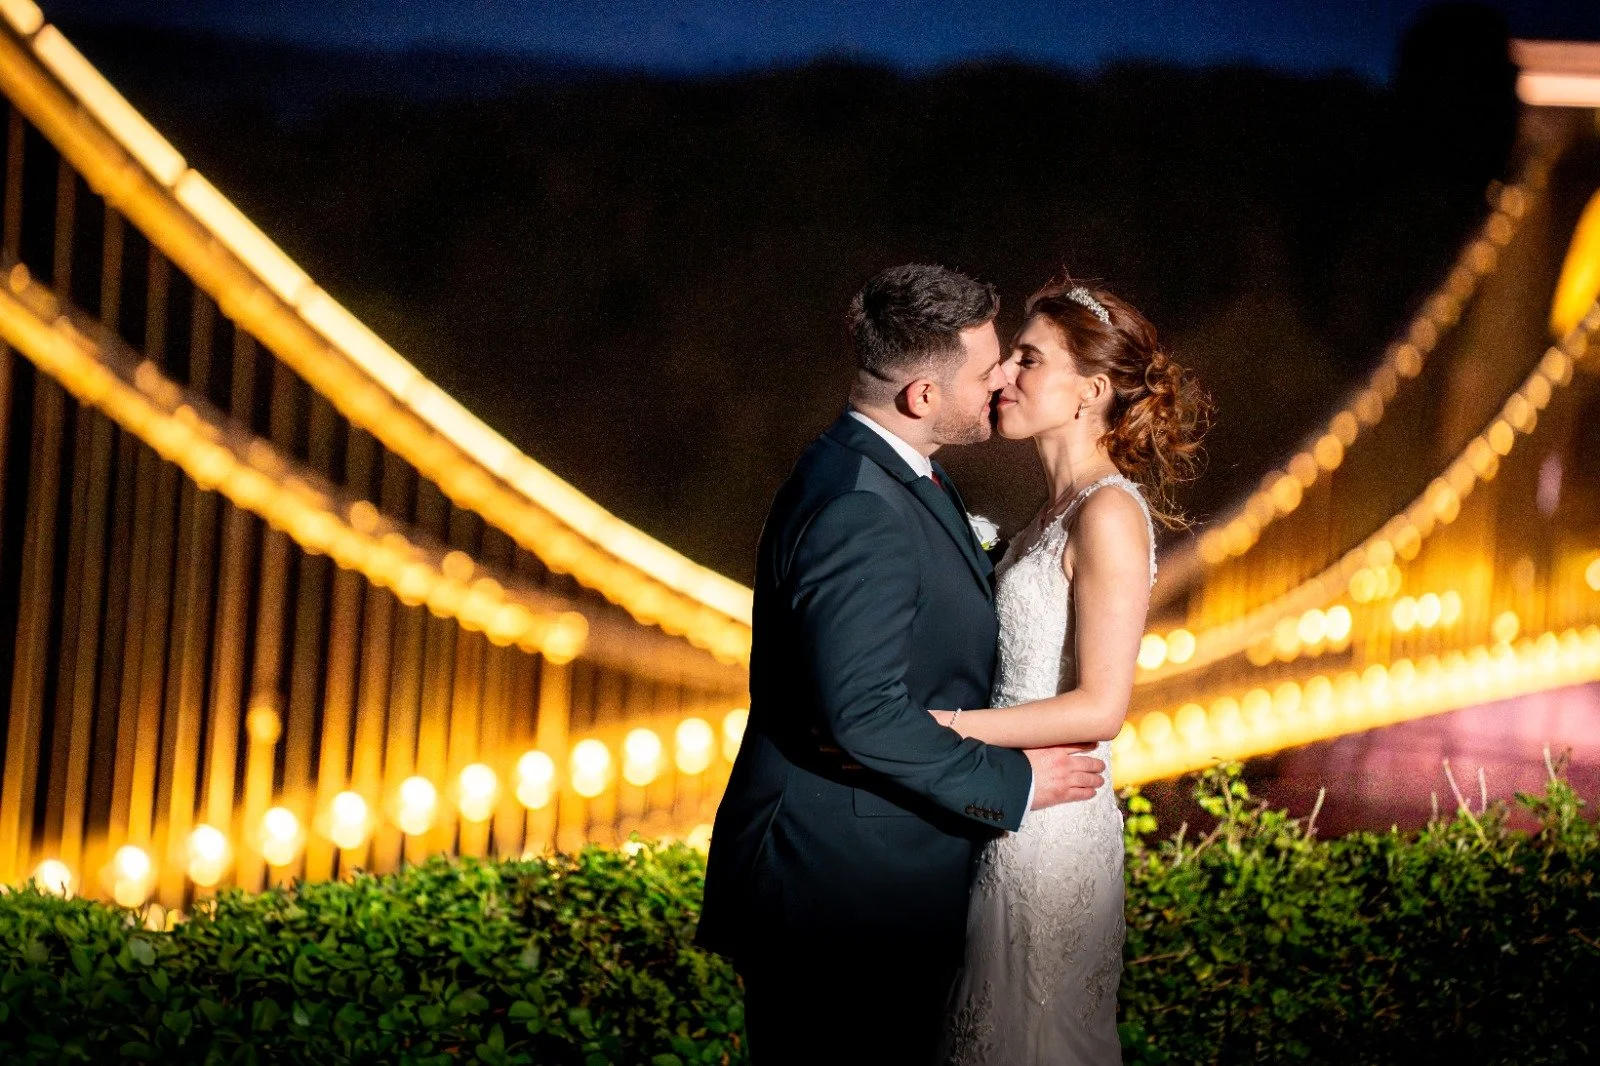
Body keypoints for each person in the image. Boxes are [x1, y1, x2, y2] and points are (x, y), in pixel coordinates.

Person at [697, 264, 1108, 1065]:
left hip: (869, 882)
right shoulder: (861, 503)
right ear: (923, 396)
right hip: (838, 896)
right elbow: (862, 714)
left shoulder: (892, 475)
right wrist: (1013, 784)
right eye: (989, 371)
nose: (1001, 384)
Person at [936, 277, 1210, 1065]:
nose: (1004, 376)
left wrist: (944, 730)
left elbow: (1100, 707)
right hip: (1009, 815)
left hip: (1053, 834)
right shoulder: (1043, 520)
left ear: (1090, 391)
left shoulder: (1109, 514)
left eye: (1028, 359)